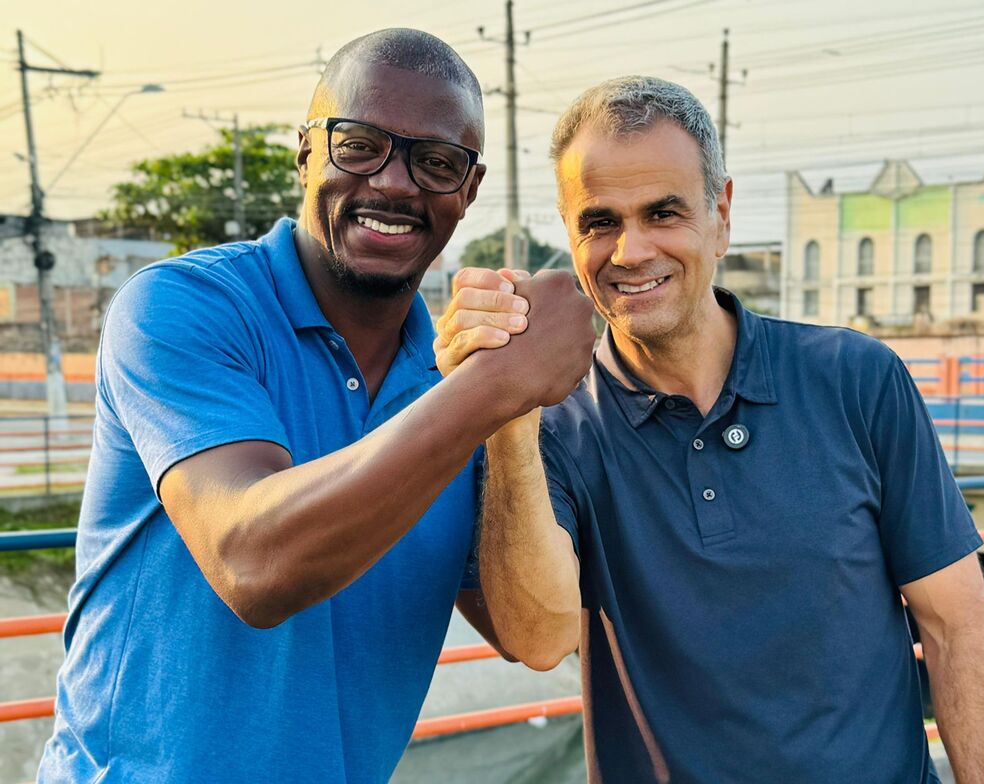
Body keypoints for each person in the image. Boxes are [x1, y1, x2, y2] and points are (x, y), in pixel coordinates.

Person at [37, 29, 595, 783]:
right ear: (304, 154)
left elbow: (531, 636)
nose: (395, 184)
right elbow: (254, 564)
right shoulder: (184, 308)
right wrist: (493, 388)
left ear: (468, 190)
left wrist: (511, 418)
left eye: (435, 163)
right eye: (360, 145)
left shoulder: (454, 384)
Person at [434, 76, 984, 783]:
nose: (631, 251)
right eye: (599, 221)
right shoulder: (553, 430)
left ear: (721, 214)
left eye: (663, 213)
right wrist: (504, 408)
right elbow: (539, 639)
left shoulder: (857, 378)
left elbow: (958, 626)